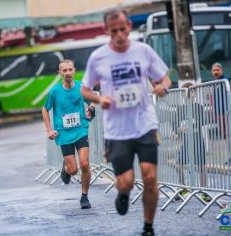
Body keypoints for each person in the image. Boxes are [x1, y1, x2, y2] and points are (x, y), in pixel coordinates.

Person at [81, 9, 171, 236]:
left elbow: (164, 76)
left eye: (123, 29)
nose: (120, 35)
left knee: (150, 178)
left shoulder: (143, 51)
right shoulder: (98, 57)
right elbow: (85, 90)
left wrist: (163, 86)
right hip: (117, 131)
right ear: (106, 31)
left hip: (145, 124)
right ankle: (123, 194)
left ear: (129, 26)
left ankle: (148, 227)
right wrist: (100, 98)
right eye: (114, 31)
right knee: (127, 182)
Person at [42, 59, 95, 209]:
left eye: (70, 69)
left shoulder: (80, 87)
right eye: (64, 70)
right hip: (64, 133)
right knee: (73, 170)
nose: (68, 73)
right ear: (60, 73)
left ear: (74, 71)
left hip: (80, 130)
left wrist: (91, 108)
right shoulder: (55, 91)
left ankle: (84, 197)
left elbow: (91, 100)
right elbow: (45, 109)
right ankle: (66, 168)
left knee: (85, 164)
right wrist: (49, 129)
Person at [171, 82, 211, 202]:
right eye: (186, 92)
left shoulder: (198, 107)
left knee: (202, 166)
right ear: (183, 95)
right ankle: (183, 189)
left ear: (195, 94)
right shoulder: (180, 108)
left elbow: (203, 121)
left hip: (197, 139)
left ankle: (203, 191)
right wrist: (176, 131)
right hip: (185, 141)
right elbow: (175, 125)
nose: (189, 94)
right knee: (178, 165)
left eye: (192, 91)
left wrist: (191, 124)